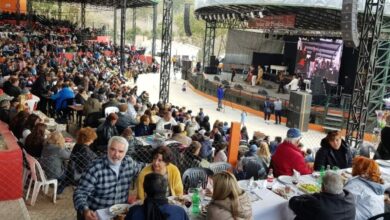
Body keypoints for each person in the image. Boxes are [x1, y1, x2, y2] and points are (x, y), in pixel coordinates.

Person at [73, 136, 144, 220]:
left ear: (125, 152)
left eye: (121, 151)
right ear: (107, 149)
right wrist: (85, 210)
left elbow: (143, 168)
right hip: (97, 215)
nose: (116, 154)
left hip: (120, 214)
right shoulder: (95, 168)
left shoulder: (129, 162)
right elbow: (80, 193)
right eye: (113, 149)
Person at [289, 171, 356, 220]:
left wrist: (311, 196)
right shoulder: (350, 198)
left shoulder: (317, 204)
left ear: (323, 187)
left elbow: (293, 202)